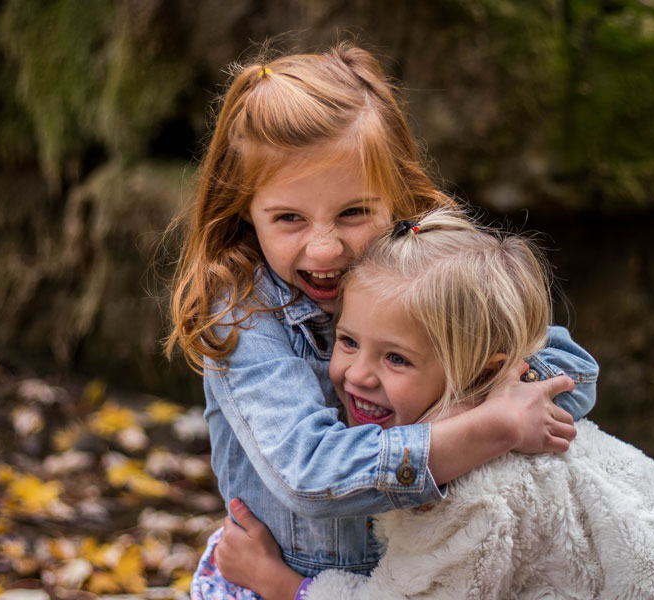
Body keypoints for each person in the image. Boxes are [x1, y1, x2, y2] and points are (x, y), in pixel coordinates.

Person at [166, 42, 598, 600]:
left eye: (353, 212)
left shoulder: (425, 271)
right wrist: (489, 427)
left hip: (423, 579)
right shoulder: (243, 315)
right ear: (244, 210)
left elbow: (572, 373)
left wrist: (478, 402)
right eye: (289, 218)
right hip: (287, 579)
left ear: (395, 197)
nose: (324, 249)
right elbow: (310, 473)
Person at [215, 210, 654, 600]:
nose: (358, 374)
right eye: (349, 341)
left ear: (480, 369)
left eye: (397, 360)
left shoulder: (476, 493)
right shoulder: (513, 406)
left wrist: (282, 585)